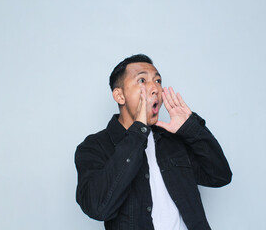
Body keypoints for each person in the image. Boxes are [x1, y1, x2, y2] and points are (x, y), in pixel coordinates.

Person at [75, 54, 232, 230]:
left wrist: (191, 129)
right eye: (142, 80)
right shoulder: (94, 147)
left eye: (158, 81)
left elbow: (220, 176)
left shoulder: (174, 140)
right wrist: (138, 132)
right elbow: (98, 208)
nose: (155, 88)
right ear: (119, 96)